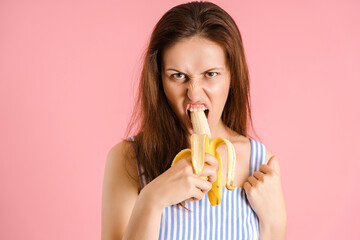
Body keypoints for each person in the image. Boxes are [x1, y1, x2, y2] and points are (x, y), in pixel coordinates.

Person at [101, 1, 287, 239]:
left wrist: (276, 224)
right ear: (159, 80)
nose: (194, 93)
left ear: (232, 76)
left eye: (211, 74)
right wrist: (152, 199)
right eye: (178, 76)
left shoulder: (262, 166)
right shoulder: (127, 159)